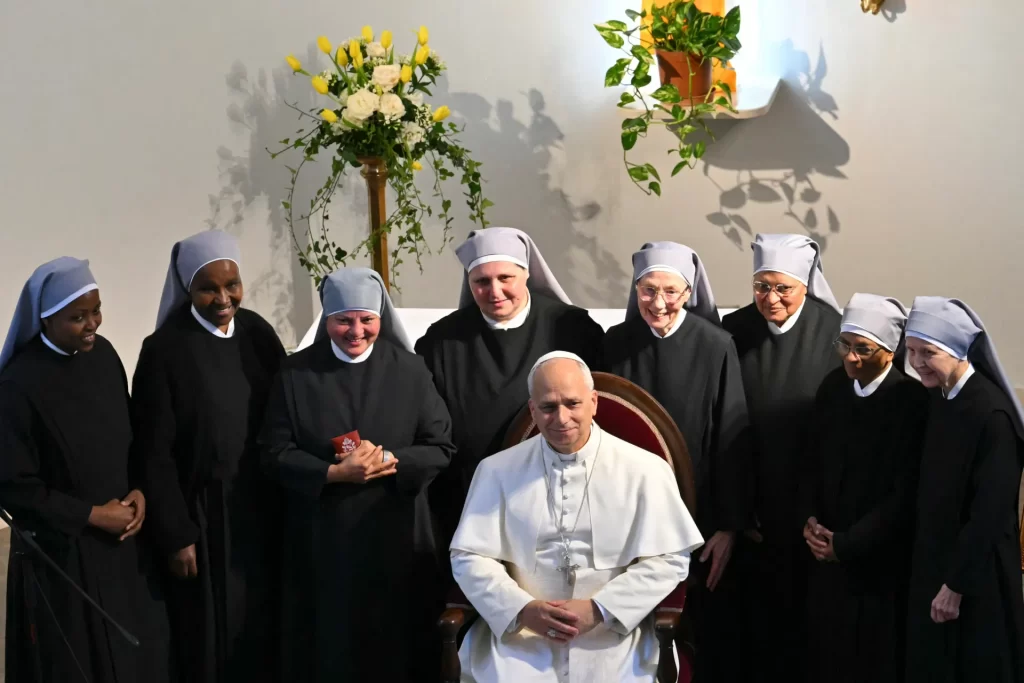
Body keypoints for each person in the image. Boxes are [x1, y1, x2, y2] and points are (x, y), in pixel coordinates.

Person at [450, 351, 704, 683]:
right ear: (532, 410)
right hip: (521, 636)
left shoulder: (645, 470)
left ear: (594, 402)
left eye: (573, 403)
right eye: (548, 407)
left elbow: (670, 558)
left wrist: (602, 609)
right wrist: (521, 609)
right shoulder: (496, 471)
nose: (561, 418)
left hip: (614, 635)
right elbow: (468, 557)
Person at [261, 267, 455, 682]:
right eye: (343, 320)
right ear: (327, 319)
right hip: (324, 540)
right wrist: (333, 473)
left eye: (366, 319)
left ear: (380, 317)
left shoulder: (411, 370)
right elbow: (274, 452)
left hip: (396, 532)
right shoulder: (295, 374)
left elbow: (440, 447)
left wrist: (386, 458)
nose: (356, 331)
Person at [0, 257, 171, 682]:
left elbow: (130, 435)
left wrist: (139, 489)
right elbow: (14, 488)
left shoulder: (105, 355)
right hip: (64, 557)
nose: (92, 324)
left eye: (96, 311)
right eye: (78, 317)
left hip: (124, 545)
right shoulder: (18, 384)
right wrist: (92, 515)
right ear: (46, 318)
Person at [130, 230, 286, 682]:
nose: (223, 299)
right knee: (213, 636)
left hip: (262, 505)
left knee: (266, 622)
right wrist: (176, 533)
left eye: (232, 285)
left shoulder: (257, 333)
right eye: (208, 288)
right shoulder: (163, 350)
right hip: (204, 515)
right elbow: (153, 451)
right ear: (187, 289)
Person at [602, 241, 749, 682]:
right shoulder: (614, 343)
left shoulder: (716, 345)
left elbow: (731, 437)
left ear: (689, 293)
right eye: (648, 290)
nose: (658, 303)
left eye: (670, 291)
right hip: (624, 512)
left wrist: (728, 526)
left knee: (695, 628)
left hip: (697, 513)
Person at [415, 227, 605, 568]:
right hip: (471, 498)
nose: (495, 291)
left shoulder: (573, 328)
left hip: (560, 495)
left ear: (526, 274)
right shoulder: (441, 341)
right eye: (481, 282)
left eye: (505, 278)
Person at [720, 232, 842, 681]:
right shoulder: (732, 330)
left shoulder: (835, 332)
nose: (770, 298)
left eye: (782, 288)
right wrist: (738, 508)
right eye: (761, 286)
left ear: (805, 285)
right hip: (753, 501)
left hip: (813, 504)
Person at [799, 293, 929, 683]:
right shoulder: (833, 387)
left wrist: (848, 544)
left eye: (863, 349)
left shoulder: (910, 401)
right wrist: (810, 521)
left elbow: (904, 493)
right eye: (845, 345)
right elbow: (811, 461)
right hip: (826, 553)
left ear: (889, 352)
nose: (851, 358)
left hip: (878, 562)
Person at [902, 296, 1024, 683]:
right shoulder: (938, 398)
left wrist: (956, 583)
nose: (917, 362)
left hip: (977, 578)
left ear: (957, 351)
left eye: (928, 352)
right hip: (936, 566)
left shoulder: (992, 414)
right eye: (911, 351)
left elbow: (990, 513)